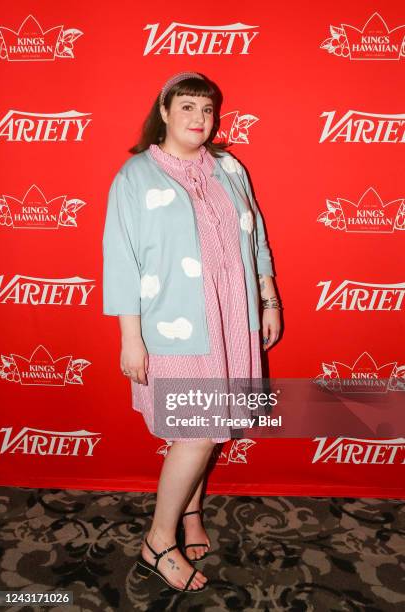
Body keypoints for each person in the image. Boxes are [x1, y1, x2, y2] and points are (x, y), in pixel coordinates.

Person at [102, 71, 282, 592]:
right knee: (198, 432)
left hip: (233, 322)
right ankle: (158, 542)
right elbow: (121, 263)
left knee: (204, 428)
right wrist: (130, 338)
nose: (198, 119)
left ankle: (189, 513)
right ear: (164, 111)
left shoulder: (229, 168)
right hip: (173, 326)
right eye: (187, 108)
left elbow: (257, 237)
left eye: (206, 110)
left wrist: (268, 298)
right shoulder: (135, 177)